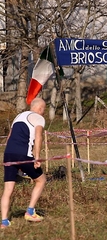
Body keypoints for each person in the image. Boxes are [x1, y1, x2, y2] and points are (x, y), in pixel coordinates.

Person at [1, 98, 47, 228]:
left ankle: (4, 222)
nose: (43, 112)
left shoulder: (18, 116)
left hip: (8, 154)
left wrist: (8, 154)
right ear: (40, 108)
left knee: (8, 189)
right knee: (41, 180)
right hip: (24, 154)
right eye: (43, 109)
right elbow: (38, 137)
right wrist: (36, 157)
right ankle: (30, 211)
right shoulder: (38, 118)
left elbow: (9, 137)